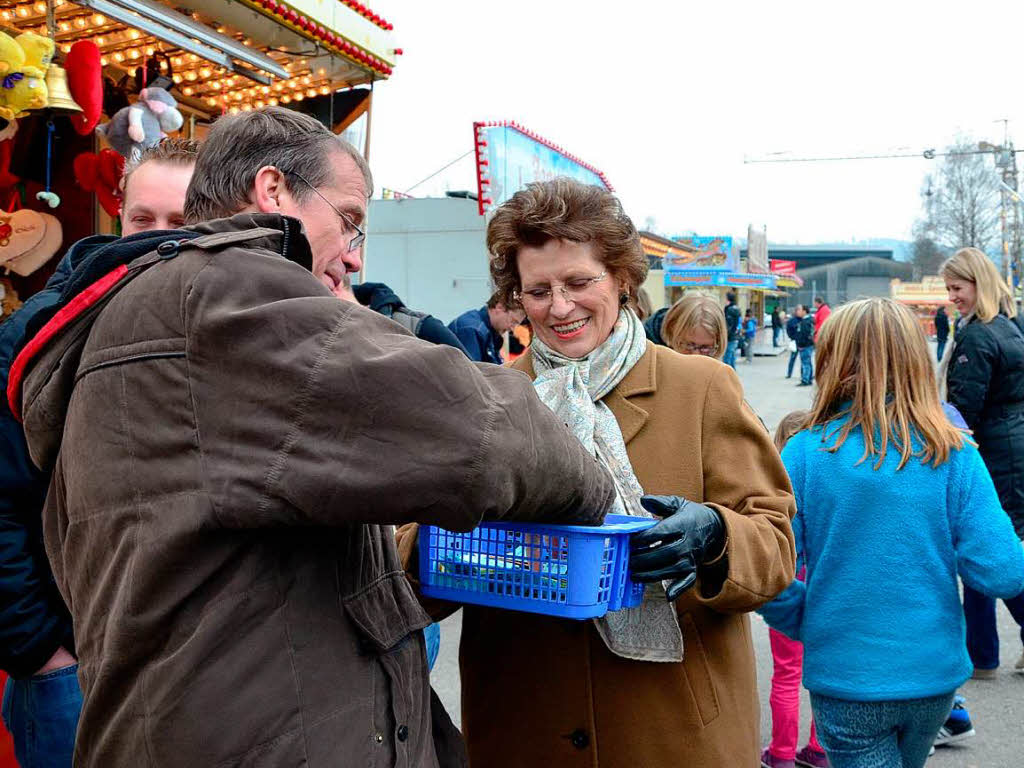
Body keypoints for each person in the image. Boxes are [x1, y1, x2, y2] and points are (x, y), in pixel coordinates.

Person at [7, 108, 619, 767]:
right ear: (272, 193)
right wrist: (599, 489)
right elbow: (484, 435)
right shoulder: (230, 292)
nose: (355, 254)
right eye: (350, 220)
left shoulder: (144, 314)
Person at [443, 178, 796, 767]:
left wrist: (713, 533)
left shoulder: (701, 388)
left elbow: (775, 545)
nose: (559, 307)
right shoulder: (485, 399)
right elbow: (408, 547)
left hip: (671, 731)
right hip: (525, 727)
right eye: (538, 290)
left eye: (580, 282)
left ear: (623, 280)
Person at [0, 138, 198, 768]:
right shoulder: (38, 328)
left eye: (181, 222)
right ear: (119, 214)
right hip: (73, 670)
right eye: (145, 219)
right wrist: (40, 650)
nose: (158, 237)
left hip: (193, 670)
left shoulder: (226, 328)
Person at [759, 297, 1024, 768]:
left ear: (831, 360)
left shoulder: (803, 453)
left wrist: (804, 618)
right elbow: (1003, 571)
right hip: (934, 677)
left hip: (846, 676)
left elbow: (766, 570)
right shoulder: (953, 451)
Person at [940, 246, 1024, 677]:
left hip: (990, 455)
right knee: (989, 547)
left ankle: (983, 653)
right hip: (1010, 449)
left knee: (987, 550)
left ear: (977, 283)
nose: (952, 296)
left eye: (957, 288)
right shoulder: (1009, 325)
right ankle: (982, 652)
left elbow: (964, 409)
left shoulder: (975, 334)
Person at [762, 410, 829, 768]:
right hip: (825, 583)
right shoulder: (828, 477)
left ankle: (781, 753)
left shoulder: (779, 482)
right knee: (822, 671)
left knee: (786, 673)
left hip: (791, 579)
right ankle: (819, 749)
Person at [448, 293, 524, 364]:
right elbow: (471, 372)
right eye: (513, 321)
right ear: (500, 307)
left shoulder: (489, 331)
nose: (513, 328)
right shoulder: (471, 330)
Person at [660, 293, 727, 359]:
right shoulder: (652, 361)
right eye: (689, 345)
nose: (696, 355)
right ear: (672, 330)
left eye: (705, 348)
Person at [794, 305, 815, 386]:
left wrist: (801, 344)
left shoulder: (805, 322)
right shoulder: (809, 320)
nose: (797, 312)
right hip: (809, 344)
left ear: (804, 311)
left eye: (799, 310)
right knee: (808, 362)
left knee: (805, 362)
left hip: (805, 345)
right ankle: (808, 378)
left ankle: (805, 380)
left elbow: (805, 335)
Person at [723, 290, 742, 368]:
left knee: (727, 357)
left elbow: (729, 324)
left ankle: (727, 376)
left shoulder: (729, 310)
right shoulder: (737, 308)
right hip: (735, 335)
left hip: (730, 337)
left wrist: (726, 334)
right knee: (732, 356)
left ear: (727, 299)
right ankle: (732, 375)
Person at [786, 310, 801, 379]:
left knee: (803, 359)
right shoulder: (792, 321)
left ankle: (803, 374)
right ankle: (789, 373)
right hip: (795, 341)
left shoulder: (803, 319)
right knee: (792, 358)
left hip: (801, 342)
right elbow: (788, 329)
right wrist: (792, 337)